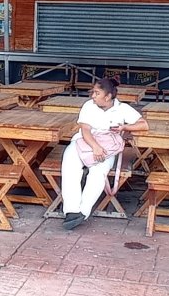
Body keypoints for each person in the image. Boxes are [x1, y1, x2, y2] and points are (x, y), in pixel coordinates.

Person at [61, 76, 148, 230]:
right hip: (83, 142)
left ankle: (82, 212)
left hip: (107, 147)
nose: (93, 96)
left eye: (97, 93)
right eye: (93, 92)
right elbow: (85, 130)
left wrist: (124, 127)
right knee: (70, 168)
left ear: (107, 97)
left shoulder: (122, 108)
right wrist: (95, 146)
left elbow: (144, 125)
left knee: (98, 173)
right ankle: (71, 210)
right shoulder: (89, 106)